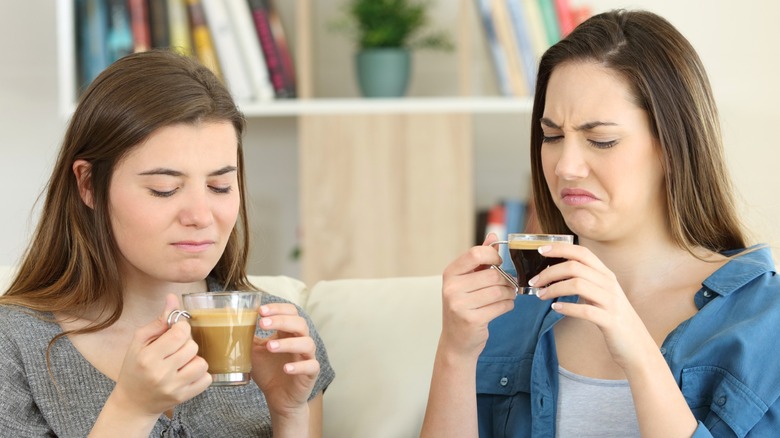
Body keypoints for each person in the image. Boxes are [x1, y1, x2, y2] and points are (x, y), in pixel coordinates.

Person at [421, 9, 780, 438]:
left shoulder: (764, 321)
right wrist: (455, 354)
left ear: (672, 146)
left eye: (601, 140)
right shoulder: (504, 304)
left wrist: (639, 354)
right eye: (552, 136)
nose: (566, 167)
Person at [0, 50, 334, 437]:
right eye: (165, 189)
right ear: (88, 184)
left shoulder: (280, 335)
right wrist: (131, 409)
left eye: (219, 186)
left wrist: (290, 415)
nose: (200, 215)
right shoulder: (15, 345)